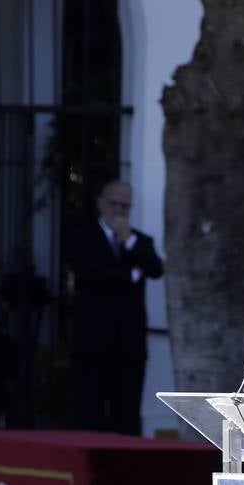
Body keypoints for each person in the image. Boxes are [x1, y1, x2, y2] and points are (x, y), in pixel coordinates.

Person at [69, 180, 165, 435]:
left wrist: (129, 241)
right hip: (93, 342)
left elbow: (155, 269)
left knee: (127, 415)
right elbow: (87, 274)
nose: (119, 211)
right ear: (102, 204)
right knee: (89, 412)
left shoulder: (139, 241)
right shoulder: (84, 238)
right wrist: (131, 275)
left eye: (125, 206)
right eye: (114, 204)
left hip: (129, 345)